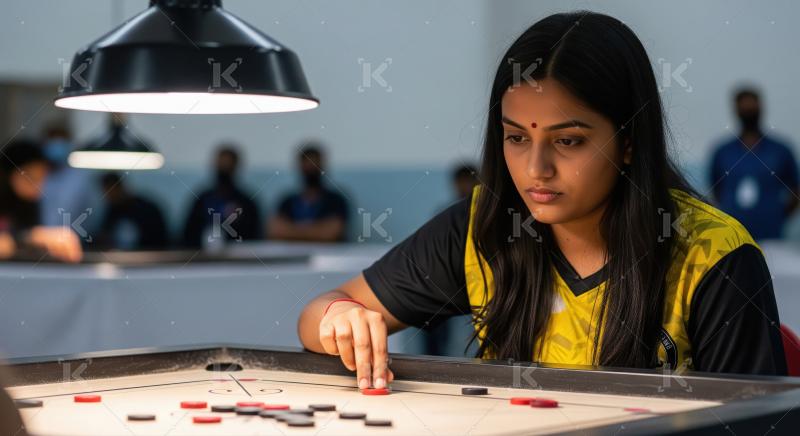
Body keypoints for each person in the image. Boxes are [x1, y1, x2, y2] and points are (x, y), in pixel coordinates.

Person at [297, 11, 787, 391]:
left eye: (568, 141)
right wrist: (339, 318)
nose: (536, 169)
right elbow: (318, 312)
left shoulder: (714, 255)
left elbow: (756, 420)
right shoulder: (485, 225)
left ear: (628, 141)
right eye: (516, 137)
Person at [709, 88, 799, 240]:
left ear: (761, 108)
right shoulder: (722, 152)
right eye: (744, 109)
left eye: (752, 108)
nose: (749, 113)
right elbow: (716, 190)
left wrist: (778, 216)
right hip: (733, 238)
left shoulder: (780, 150)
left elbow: (795, 190)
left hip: (772, 237)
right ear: (736, 111)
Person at [0, 140, 82, 262]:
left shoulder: (29, 205)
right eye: (30, 178)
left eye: (41, 178)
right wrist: (30, 237)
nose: (37, 187)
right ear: (7, 174)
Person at [182, 145, 261, 248]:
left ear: (235, 167)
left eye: (228, 166)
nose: (224, 169)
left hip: (237, 255)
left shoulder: (247, 203)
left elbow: (253, 237)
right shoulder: (202, 199)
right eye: (221, 165)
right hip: (202, 254)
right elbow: (188, 234)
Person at [268, 143, 349, 242]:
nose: (310, 169)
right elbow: (275, 231)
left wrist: (292, 231)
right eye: (306, 165)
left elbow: (331, 233)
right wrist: (317, 230)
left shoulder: (336, 201)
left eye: (314, 165)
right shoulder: (287, 201)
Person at [38, 123, 95, 230]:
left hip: (74, 237)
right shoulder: (38, 175)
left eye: (61, 143)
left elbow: (93, 214)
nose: (57, 148)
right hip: (38, 237)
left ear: (70, 145)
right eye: (53, 142)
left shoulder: (81, 178)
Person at [96, 173, 169, 250]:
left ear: (120, 187)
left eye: (110, 191)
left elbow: (159, 242)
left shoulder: (147, 210)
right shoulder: (112, 212)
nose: (108, 196)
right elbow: (104, 237)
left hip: (150, 255)